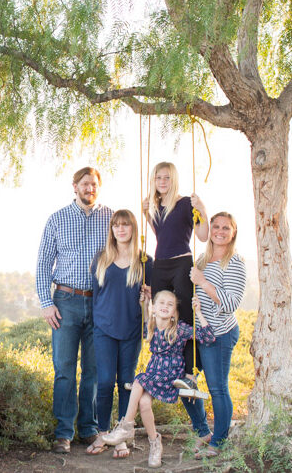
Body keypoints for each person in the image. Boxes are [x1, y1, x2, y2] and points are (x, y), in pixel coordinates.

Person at [36, 167, 113, 454]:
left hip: (100, 302)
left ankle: (89, 429)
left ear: (98, 187)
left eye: (94, 184)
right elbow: (43, 264)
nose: (89, 188)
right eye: (84, 184)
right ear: (75, 186)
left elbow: (126, 254)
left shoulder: (110, 218)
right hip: (65, 301)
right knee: (64, 369)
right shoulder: (57, 219)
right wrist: (46, 303)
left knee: (94, 369)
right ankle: (64, 433)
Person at [98, 290, 215, 468]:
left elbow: (208, 337)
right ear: (154, 307)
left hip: (169, 376)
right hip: (154, 374)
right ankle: (155, 444)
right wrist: (145, 304)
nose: (165, 307)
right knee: (144, 403)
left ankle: (126, 426)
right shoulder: (151, 326)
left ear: (175, 313)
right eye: (161, 303)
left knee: (138, 381)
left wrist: (198, 312)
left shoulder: (180, 329)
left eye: (170, 304)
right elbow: (146, 316)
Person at [85, 209, 152, 459]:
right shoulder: (101, 258)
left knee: (125, 384)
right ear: (111, 230)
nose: (120, 229)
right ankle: (103, 433)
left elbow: (150, 301)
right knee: (103, 383)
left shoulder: (145, 261)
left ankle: (120, 437)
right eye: (116, 225)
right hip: (103, 329)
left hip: (131, 330)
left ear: (133, 228)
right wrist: (95, 325)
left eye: (125, 225)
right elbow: (95, 296)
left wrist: (148, 298)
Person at [142, 161, 209, 392]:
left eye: (167, 178)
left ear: (174, 180)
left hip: (181, 263)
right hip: (160, 265)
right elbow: (162, 235)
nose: (162, 182)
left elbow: (202, 235)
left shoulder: (184, 204)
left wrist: (201, 209)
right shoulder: (152, 206)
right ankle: (161, 369)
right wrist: (146, 211)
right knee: (160, 317)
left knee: (185, 318)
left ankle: (191, 374)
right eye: (158, 178)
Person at [189, 212, 246, 459]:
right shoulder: (203, 258)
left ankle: (219, 440)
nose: (220, 231)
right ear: (209, 229)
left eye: (226, 228)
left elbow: (231, 302)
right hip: (199, 332)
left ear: (233, 232)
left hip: (220, 333)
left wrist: (202, 283)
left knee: (217, 388)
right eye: (215, 226)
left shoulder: (235, 262)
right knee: (184, 381)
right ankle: (203, 431)